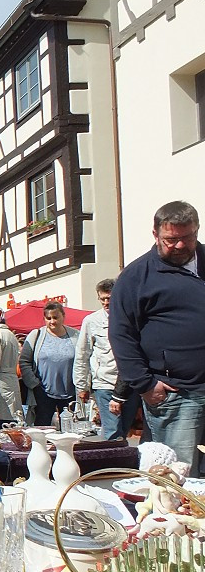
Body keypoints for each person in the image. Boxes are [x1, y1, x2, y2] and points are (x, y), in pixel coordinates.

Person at [110, 200, 205, 472]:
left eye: (187, 238)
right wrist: (144, 384)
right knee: (176, 475)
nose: (179, 245)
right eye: (171, 239)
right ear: (155, 235)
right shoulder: (136, 277)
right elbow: (121, 334)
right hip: (176, 395)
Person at [74, 279, 140, 440]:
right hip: (104, 383)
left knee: (125, 430)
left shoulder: (131, 317)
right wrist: (81, 385)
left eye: (109, 298)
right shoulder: (91, 321)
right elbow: (82, 354)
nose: (105, 302)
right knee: (113, 431)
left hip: (129, 383)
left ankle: (120, 461)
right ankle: (113, 461)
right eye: (102, 299)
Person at [19, 302, 80, 427]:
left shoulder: (75, 335)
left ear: (63, 316)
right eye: (48, 318)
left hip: (70, 392)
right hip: (43, 392)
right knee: (42, 429)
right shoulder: (36, 335)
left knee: (71, 431)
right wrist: (34, 383)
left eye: (56, 317)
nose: (52, 321)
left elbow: (83, 360)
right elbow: (24, 361)